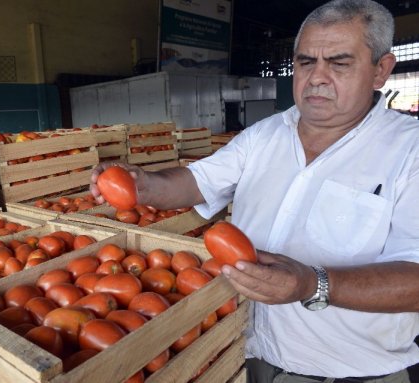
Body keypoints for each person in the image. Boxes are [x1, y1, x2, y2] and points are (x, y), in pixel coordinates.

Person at [90, 0, 419, 382]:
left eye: (339, 63)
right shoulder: (264, 135)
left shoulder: (409, 152)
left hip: (348, 373)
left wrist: (313, 284)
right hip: (244, 354)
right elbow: (197, 181)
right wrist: (143, 184)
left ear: (381, 70)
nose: (316, 77)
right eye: (305, 61)